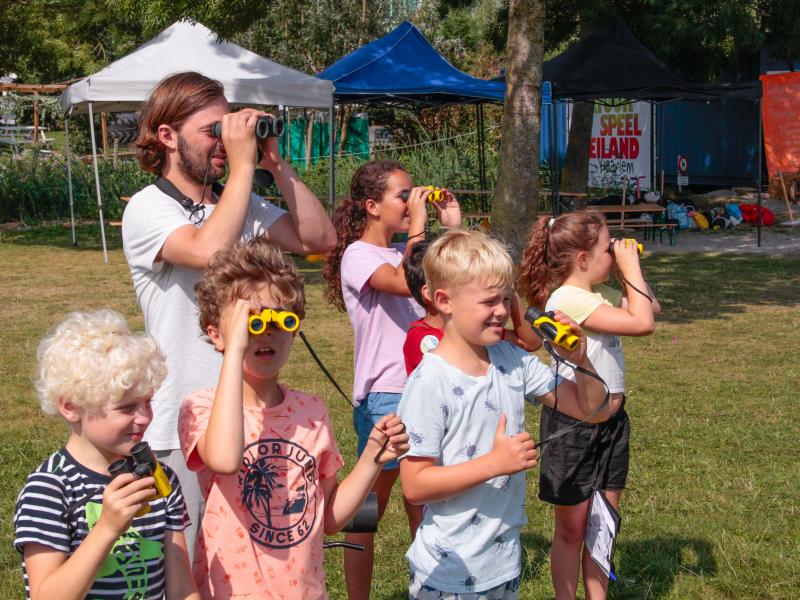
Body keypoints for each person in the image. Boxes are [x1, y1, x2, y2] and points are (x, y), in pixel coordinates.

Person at [122, 71, 335, 555]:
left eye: (229, 130)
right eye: (212, 130)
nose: (224, 143)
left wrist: (275, 163)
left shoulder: (240, 204)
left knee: (248, 553)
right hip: (182, 421)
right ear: (167, 136)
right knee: (191, 558)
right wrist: (243, 169)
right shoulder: (147, 207)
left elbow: (319, 240)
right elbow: (209, 250)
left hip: (255, 413)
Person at [177, 237, 409, 599]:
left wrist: (372, 458)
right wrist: (236, 347)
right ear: (216, 334)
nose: (267, 329)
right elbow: (223, 459)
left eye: (280, 319)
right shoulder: (202, 407)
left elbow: (331, 518)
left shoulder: (311, 410)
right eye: (251, 321)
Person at [397, 230, 608, 599]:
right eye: (489, 301)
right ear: (444, 300)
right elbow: (414, 485)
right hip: (448, 571)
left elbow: (590, 410)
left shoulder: (512, 362)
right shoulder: (430, 381)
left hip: (504, 564)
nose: (502, 311)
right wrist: (494, 464)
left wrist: (580, 360)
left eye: (507, 298)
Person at [322, 160, 462, 599]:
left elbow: (453, 283)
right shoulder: (358, 255)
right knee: (367, 509)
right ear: (372, 206)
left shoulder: (408, 249)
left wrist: (452, 230)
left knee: (425, 501)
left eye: (414, 193)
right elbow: (408, 280)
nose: (411, 201)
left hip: (430, 385)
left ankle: (431, 589)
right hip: (385, 395)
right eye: (403, 195)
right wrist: (420, 227)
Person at [518, 211, 661, 600]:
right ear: (583, 259)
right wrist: (628, 265)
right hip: (575, 428)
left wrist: (625, 271)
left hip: (612, 424)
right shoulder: (567, 298)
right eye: (606, 248)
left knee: (603, 525)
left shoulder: (597, 293)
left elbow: (651, 308)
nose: (613, 253)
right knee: (572, 529)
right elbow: (643, 323)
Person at [13, 310, 198, 600]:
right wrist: (107, 529)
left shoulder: (160, 480)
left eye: (147, 402)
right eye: (126, 408)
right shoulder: (50, 489)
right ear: (71, 407)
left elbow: (182, 589)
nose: (144, 418)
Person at [402, 239, 542, 374]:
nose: (501, 310)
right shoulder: (423, 338)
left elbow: (529, 343)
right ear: (438, 297)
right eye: (488, 299)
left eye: (504, 298)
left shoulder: (477, 330)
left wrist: (504, 289)